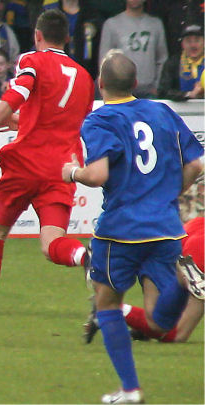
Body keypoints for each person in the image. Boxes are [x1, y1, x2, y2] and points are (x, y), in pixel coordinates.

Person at [60, 50, 203, 404]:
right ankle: (186, 281)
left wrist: (72, 172)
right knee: (158, 320)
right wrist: (168, 195)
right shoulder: (161, 111)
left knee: (106, 304)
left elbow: (98, 175)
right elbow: (196, 165)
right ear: (136, 83)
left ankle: (130, 389)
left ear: (100, 84)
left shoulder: (100, 119)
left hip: (120, 229)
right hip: (167, 227)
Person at [0, 9, 95, 336]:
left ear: (37, 35)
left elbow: (16, 95)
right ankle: (84, 256)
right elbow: (64, 123)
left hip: (28, 161)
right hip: (63, 167)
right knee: (53, 243)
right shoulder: (85, 78)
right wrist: (23, 123)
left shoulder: (32, 60)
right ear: (66, 38)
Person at [83, 217, 205, 345]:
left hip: (184, 233)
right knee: (176, 334)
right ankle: (110, 308)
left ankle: (111, 309)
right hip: (193, 248)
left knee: (159, 318)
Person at [99, 0, 168, 98]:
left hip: (149, 90)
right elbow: (104, 60)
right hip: (120, 90)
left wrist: (157, 86)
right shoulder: (111, 24)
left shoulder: (156, 24)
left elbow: (162, 58)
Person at [45, 0, 102, 79]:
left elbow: (98, 47)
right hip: (56, 74)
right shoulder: (49, 15)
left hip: (86, 73)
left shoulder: (92, 15)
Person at [158, 23, 204, 101]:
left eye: (197, 40)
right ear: (182, 44)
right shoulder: (173, 63)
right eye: (188, 41)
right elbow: (163, 91)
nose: (193, 45)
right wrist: (189, 94)